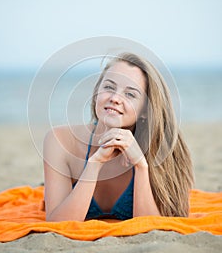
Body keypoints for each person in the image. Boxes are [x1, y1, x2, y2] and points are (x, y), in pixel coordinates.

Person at [43, 52, 194, 221]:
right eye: (109, 87)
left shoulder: (160, 147)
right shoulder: (59, 140)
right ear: (97, 92)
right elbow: (58, 223)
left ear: (145, 109)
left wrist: (141, 167)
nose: (115, 98)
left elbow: (151, 230)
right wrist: (94, 164)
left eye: (130, 94)